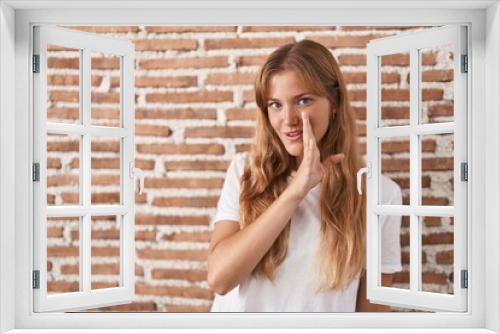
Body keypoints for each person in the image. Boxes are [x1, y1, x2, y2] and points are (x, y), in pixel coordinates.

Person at [207, 39, 402, 312]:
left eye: (303, 100)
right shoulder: (245, 172)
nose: (288, 120)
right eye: (275, 104)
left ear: (334, 103)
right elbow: (220, 279)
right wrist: (297, 189)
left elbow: (372, 313)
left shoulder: (381, 192)